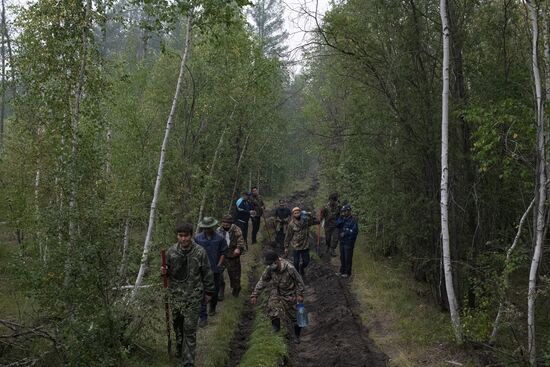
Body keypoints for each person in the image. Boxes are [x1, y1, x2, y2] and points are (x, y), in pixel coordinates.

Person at [162, 223, 214, 365]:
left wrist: (209, 291)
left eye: (186, 235)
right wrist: (164, 271)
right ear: (177, 236)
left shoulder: (200, 252)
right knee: (177, 325)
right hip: (176, 296)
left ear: (191, 236)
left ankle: (188, 361)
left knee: (190, 329)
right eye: (180, 235)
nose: (183, 239)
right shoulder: (171, 252)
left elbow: (207, 272)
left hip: (193, 297)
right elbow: (166, 271)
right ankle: (180, 346)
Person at [250, 250, 306, 343]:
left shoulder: (290, 268)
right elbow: (262, 281)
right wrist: (255, 295)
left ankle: (297, 336)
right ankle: (276, 329)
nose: (270, 266)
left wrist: (300, 294)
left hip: (290, 294)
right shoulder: (269, 269)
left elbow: (300, 282)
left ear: (277, 260)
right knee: (272, 307)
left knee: (296, 317)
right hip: (277, 293)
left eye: (271, 263)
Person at [194, 217, 228, 326]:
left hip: (215, 269)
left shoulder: (220, 238)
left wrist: (219, 264)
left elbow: (223, 252)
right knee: (201, 292)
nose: (207, 230)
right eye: (205, 228)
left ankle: (212, 307)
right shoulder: (197, 238)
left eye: (209, 228)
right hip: (201, 270)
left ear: (212, 227)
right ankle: (203, 317)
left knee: (214, 291)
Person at [284, 206, 320, 279]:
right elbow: (288, 236)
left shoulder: (306, 221)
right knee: (296, 262)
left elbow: (315, 221)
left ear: (300, 213)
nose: (297, 214)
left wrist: (310, 215)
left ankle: (302, 267)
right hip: (295, 246)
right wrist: (286, 246)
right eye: (295, 213)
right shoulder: (291, 224)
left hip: (305, 245)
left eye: (298, 212)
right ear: (293, 214)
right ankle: (297, 276)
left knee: (306, 261)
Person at [217, 214, 246, 299]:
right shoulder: (218, 230)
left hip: (233, 256)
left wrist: (238, 248)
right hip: (221, 256)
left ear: (230, 223)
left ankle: (236, 289)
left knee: (235, 276)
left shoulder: (236, 229)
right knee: (218, 274)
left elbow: (241, 241)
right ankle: (220, 290)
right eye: (223, 223)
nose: (225, 225)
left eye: (227, 223)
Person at [335, 205, 359, 278]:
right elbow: (337, 224)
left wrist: (345, 233)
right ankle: (342, 271)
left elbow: (354, 232)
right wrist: (341, 217)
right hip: (342, 241)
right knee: (342, 257)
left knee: (348, 257)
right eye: (343, 211)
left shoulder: (353, 220)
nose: (344, 213)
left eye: (345, 211)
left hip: (348, 242)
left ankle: (347, 273)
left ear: (349, 211)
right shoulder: (342, 218)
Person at [320, 192, 340, 257]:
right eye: (332, 200)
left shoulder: (338, 207)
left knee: (336, 238)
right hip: (327, 225)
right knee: (328, 238)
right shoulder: (325, 207)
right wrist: (319, 220)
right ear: (329, 199)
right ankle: (328, 246)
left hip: (335, 226)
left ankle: (332, 249)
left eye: (335, 200)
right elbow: (322, 216)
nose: (333, 202)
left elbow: (341, 216)